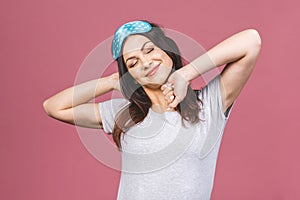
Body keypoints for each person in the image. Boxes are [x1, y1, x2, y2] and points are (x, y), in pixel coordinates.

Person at [43, 20, 261, 199]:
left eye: (149, 51)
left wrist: (184, 74)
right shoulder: (124, 113)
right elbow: (54, 107)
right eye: (133, 63)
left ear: (166, 50)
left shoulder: (209, 104)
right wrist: (111, 81)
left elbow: (251, 41)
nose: (146, 63)